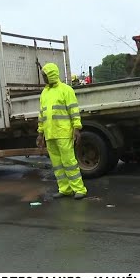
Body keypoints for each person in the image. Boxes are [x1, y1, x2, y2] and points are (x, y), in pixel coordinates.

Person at [36, 62, 87, 199]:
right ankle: (65, 189)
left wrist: (76, 128)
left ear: (51, 75)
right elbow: (42, 114)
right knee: (57, 165)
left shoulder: (66, 90)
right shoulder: (44, 93)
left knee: (69, 162)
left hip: (63, 133)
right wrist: (40, 133)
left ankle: (79, 189)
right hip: (50, 134)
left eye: (45, 75)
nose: (44, 78)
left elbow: (73, 110)